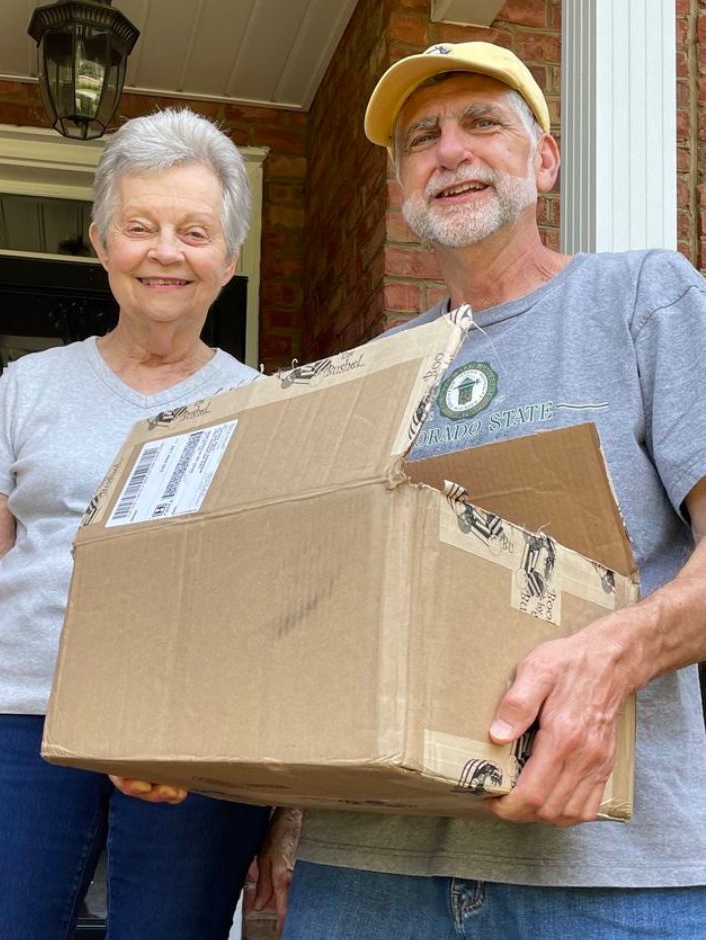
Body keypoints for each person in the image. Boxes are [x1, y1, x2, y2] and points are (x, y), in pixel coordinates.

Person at [278, 41, 706, 938]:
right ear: (403, 187)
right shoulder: (368, 373)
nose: (451, 152)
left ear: (544, 160)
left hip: (604, 871)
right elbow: (316, 608)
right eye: (422, 139)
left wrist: (611, 659)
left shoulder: (644, 299)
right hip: (367, 868)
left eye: (483, 123)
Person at [0, 107, 270, 940]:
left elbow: (271, 601)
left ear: (229, 259)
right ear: (101, 242)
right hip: (16, 719)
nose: (167, 251)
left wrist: (289, 802)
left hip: (187, 734)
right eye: (141, 226)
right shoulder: (30, 386)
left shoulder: (265, 405)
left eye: (195, 232)